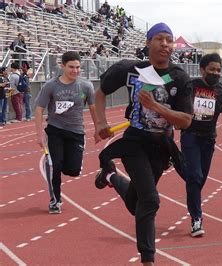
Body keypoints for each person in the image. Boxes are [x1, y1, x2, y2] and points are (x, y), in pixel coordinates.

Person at [93, 23, 193, 266]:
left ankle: (111, 178)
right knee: (150, 200)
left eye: (169, 40)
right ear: (148, 43)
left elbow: (186, 121)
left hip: (161, 146)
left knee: (136, 203)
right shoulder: (130, 70)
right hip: (135, 142)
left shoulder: (179, 77)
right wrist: (101, 123)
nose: (165, 44)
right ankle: (148, 260)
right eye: (159, 39)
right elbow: (100, 93)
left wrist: (156, 106)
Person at [34, 51, 98, 214]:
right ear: (62, 66)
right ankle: (55, 200)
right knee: (55, 165)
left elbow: (92, 107)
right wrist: (39, 133)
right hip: (55, 129)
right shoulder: (51, 86)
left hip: (76, 131)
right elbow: (39, 109)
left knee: (73, 170)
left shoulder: (86, 86)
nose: (75, 71)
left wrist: (98, 128)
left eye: (78, 67)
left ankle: (60, 163)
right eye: (71, 67)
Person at [180, 53, 222, 237]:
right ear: (202, 70)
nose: (215, 73)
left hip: (209, 139)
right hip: (190, 136)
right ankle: (196, 219)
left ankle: (179, 164)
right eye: (212, 69)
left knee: (199, 179)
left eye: (218, 70)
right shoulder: (191, 87)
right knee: (195, 176)